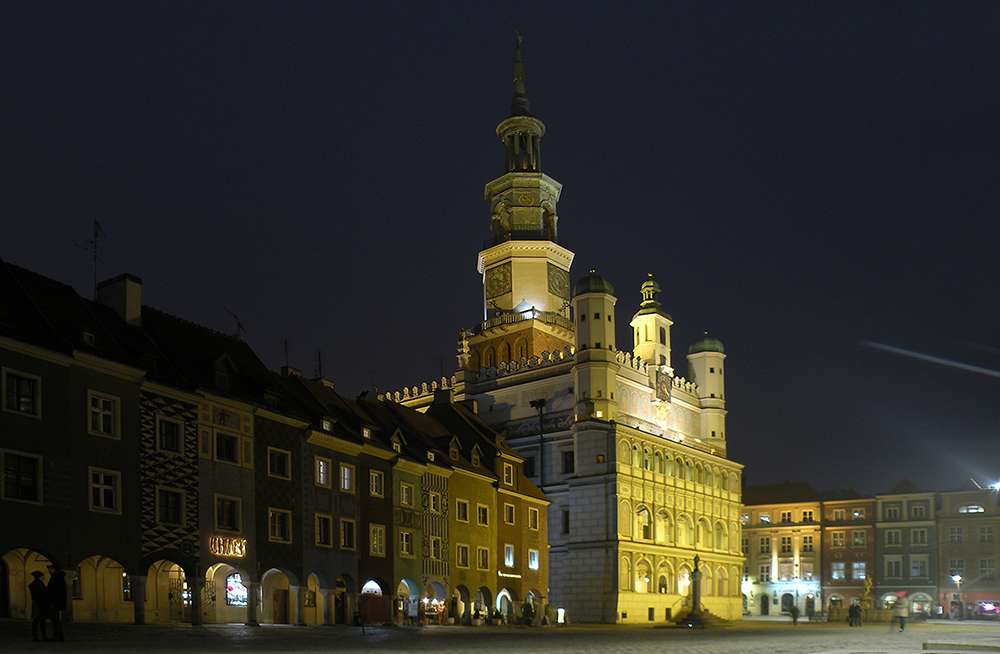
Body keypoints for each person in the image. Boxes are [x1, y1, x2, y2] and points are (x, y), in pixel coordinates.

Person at [46, 565, 66, 642]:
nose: (49, 571)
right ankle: (59, 636)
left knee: (55, 620)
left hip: (55, 603)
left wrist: (52, 602)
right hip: (56, 603)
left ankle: (57, 636)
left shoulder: (56, 578)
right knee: (56, 620)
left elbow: (55, 592)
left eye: (50, 569)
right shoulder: (57, 578)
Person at [29, 571, 49, 642]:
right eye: (42, 577)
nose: (43, 578)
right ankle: (42, 635)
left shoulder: (36, 584)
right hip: (39, 604)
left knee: (37, 620)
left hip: (38, 604)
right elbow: (41, 595)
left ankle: (37, 635)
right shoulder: (38, 585)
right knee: (39, 620)